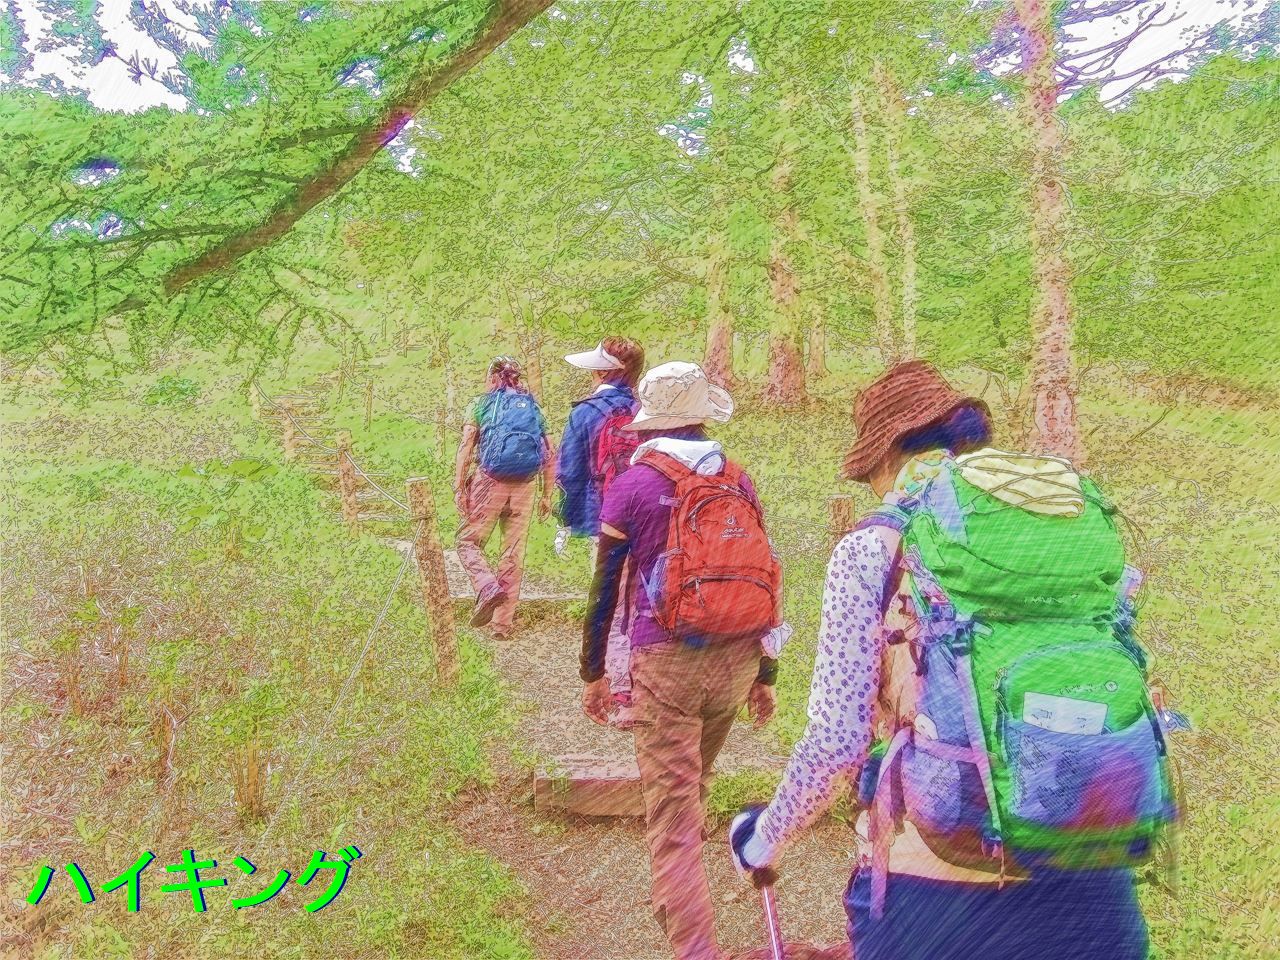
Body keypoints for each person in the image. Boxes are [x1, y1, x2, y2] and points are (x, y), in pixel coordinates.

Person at [728, 360, 1166, 960]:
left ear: (887, 457)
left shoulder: (872, 548)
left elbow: (837, 743)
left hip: (939, 899)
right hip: (1093, 884)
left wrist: (764, 839)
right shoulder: (1066, 532)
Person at [580, 360, 782, 960]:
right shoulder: (738, 480)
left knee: (672, 818)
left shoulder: (633, 485)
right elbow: (765, 573)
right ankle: (682, 906)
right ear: (701, 416)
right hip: (739, 656)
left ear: (650, 420)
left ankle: (694, 946)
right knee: (695, 785)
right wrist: (766, 674)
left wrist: (594, 672)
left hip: (667, 661)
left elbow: (604, 590)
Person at [555, 337, 645, 710]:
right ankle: (643, 674)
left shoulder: (585, 413)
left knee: (612, 599)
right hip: (653, 517)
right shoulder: (647, 409)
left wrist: (567, 521)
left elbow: (569, 471)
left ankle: (620, 682)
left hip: (608, 518)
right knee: (644, 597)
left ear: (602, 372)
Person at [453, 356, 554, 639]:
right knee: (512, 553)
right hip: (525, 486)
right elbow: (550, 453)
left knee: (467, 541)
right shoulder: (533, 407)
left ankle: (487, 586)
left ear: (493, 377)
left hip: (490, 482)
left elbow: (466, 444)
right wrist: (547, 495)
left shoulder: (482, 404)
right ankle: (502, 625)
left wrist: (459, 486)